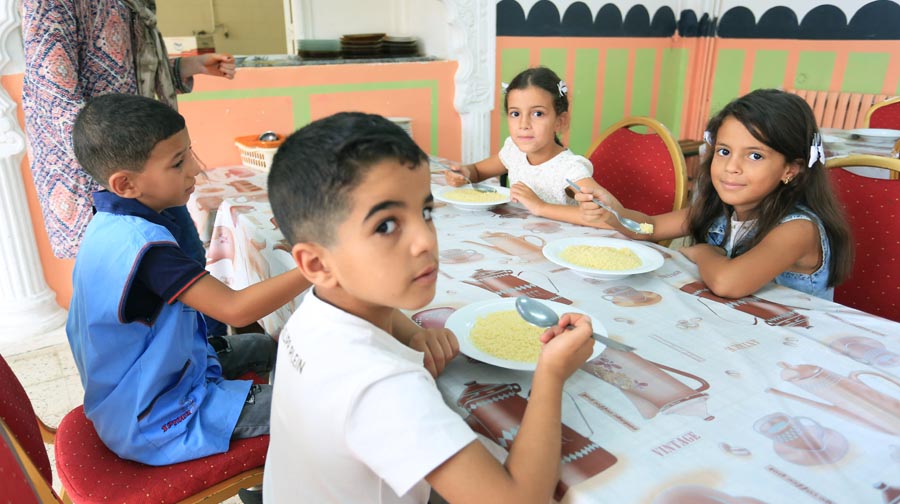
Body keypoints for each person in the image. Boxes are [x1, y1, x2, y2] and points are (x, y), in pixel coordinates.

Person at [264, 112, 596, 503]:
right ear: (317, 264)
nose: (426, 239)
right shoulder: (383, 386)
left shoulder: (316, 311)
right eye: (386, 225)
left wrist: (415, 333)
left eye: (425, 212)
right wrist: (551, 375)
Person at [65, 93, 310, 466]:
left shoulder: (109, 222)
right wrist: (317, 267)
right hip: (157, 419)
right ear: (126, 184)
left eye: (189, 153)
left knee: (263, 345)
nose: (196, 169)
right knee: (317, 408)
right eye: (179, 162)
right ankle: (273, 469)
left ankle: (263, 450)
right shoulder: (150, 252)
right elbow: (236, 309)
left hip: (133, 390)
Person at [575, 89, 852, 300]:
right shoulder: (719, 208)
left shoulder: (798, 229)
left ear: (791, 169)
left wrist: (705, 252)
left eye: (755, 155)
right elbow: (650, 227)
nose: (732, 167)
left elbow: (728, 283)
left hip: (796, 348)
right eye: (724, 151)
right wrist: (612, 212)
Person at [443, 66, 611, 228]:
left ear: (560, 121)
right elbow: (477, 172)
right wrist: (464, 173)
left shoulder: (569, 169)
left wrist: (541, 207)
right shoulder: (514, 151)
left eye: (537, 114)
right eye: (515, 114)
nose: (523, 124)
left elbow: (613, 219)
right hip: (522, 239)